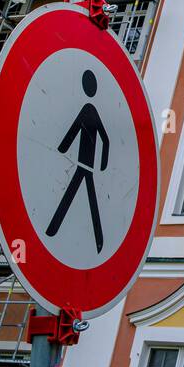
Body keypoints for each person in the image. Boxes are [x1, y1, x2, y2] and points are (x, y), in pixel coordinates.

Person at [45, 69, 110, 253]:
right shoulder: (92, 110)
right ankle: (98, 239)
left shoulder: (88, 110)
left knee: (80, 195)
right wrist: (102, 163)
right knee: (86, 197)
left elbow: (74, 129)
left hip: (83, 164)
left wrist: (62, 148)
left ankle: (54, 229)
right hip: (85, 165)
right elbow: (105, 139)